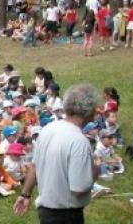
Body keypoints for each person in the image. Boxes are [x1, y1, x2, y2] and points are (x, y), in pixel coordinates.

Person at [14, 84, 100, 224]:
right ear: (88, 111)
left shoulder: (48, 129)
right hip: (66, 215)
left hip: (45, 210)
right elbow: (79, 189)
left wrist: (25, 194)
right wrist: (96, 171)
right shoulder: (79, 141)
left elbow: (34, 167)